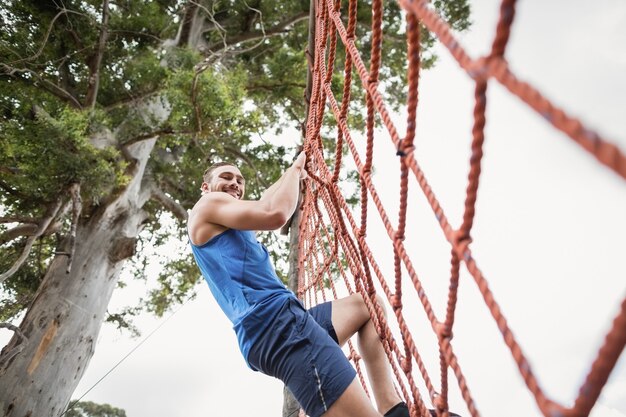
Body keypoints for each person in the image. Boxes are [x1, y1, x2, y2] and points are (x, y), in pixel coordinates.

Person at [188, 152, 457, 417]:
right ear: (205, 187)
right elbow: (275, 212)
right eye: (226, 177)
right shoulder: (209, 204)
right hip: (277, 327)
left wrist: (296, 165)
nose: (235, 183)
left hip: (283, 322)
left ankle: (392, 408)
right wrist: (295, 172)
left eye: (240, 179)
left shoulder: (229, 221)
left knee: (366, 306)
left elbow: (264, 198)